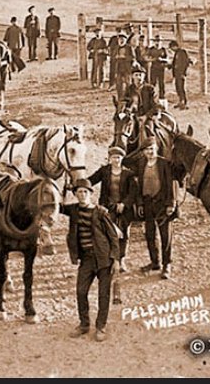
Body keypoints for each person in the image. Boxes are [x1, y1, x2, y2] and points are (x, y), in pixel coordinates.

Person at [61, 178, 119, 342]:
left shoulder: (100, 212)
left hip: (103, 259)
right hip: (86, 259)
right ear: (75, 194)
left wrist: (116, 259)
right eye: (79, 192)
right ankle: (84, 324)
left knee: (103, 295)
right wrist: (63, 190)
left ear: (91, 194)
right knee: (81, 291)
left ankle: (101, 327)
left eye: (85, 192)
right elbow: (58, 206)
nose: (82, 195)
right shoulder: (73, 210)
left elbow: (113, 237)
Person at [88, 146, 137, 273]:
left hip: (124, 209)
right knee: (107, 232)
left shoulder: (128, 173)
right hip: (107, 207)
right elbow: (91, 180)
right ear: (109, 159)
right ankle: (108, 259)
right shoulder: (104, 171)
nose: (116, 160)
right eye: (114, 157)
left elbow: (133, 193)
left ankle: (121, 260)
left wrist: (124, 204)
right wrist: (77, 184)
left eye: (119, 157)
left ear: (122, 158)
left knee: (124, 233)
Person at [134, 137, 177, 280]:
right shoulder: (141, 163)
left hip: (162, 204)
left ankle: (167, 264)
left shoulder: (164, 163)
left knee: (166, 235)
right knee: (150, 234)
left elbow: (171, 185)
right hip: (147, 204)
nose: (149, 152)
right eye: (147, 150)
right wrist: (140, 203)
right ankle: (155, 262)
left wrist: (171, 203)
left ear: (156, 149)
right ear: (143, 152)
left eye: (151, 149)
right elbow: (139, 185)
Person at [168, 40, 193, 110]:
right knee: (178, 88)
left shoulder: (182, 52)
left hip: (181, 74)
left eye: (172, 48)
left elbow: (186, 63)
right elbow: (175, 64)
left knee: (181, 88)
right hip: (177, 74)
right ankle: (180, 101)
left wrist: (183, 73)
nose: (172, 50)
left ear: (175, 46)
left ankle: (184, 103)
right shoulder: (176, 53)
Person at [146, 35, 169, 100]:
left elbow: (167, 59)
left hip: (161, 69)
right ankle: (151, 97)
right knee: (152, 83)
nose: (157, 43)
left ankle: (162, 97)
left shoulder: (163, 50)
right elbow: (146, 58)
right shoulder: (151, 49)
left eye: (159, 41)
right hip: (153, 68)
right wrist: (153, 59)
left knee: (161, 84)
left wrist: (162, 59)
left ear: (161, 42)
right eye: (156, 41)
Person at [114, 34, 134, 99]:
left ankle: (129, 97)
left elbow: (133, 57)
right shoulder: (116, 48)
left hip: (127, 68)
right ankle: (120, 97)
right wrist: (116, 57)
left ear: (125, 40)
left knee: (128, 83)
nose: (121, 41)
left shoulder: (129, 47)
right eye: (120, 39)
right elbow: (113, 57)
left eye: (123, 39)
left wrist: (125, 57)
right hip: (118, 68)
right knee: (118, 84)